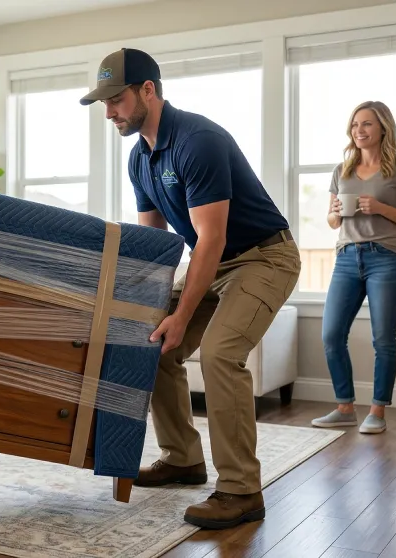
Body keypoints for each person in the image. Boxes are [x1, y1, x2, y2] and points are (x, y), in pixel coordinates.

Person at [80, 48, 301, 530]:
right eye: (103, 103)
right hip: (217, 261)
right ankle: (182, 458)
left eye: (115, 99)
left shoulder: (196, 140)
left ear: (148, 91)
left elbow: (212, 238)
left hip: (264, 256)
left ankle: (241, 489)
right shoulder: (140, 159)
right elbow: (156, 245)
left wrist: (182, 317)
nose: (109, 112)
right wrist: (149, 309)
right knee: (152, 343)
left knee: (220, 353)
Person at [311, 101, 396, 434]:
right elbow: (333, 222)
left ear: (383, 128)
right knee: (331, 334)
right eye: (354, 125)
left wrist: (380, 207)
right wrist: (334, 211)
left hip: (386, 258)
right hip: (346, 257)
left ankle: (377, 411)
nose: (358, 130)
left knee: (383, 339)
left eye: (367, 124)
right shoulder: (342, 170)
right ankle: (345, 407)